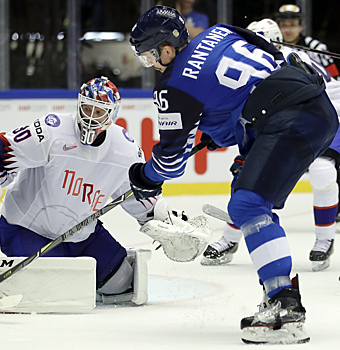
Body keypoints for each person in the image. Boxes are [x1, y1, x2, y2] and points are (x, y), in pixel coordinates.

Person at [129, 5, 338, 344]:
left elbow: (170, 161)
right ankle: (277, 293)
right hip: (315, 104)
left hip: (286, 119)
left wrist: (145, 176)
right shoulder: (222, 31)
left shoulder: (173, 85)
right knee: (254, 198)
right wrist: (224, 127)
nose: (150, 64)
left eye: (148, 55)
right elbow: (271, 60)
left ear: (166, 48)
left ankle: (285, 305)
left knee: (248, 204)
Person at [0, 76, 212, 311]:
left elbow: (138, 196)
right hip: (26, 229)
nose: (90, 117)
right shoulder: (52, 131)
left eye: (99, 112)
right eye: (86, 108)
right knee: (50, 293)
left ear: (112, 116)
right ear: (78, 105)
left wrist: (163, 222)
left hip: (83, 235)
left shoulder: (124, 149)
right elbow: (0, 151)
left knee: (123, 284)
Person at [202, 18, 339, 272]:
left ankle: (324, 238)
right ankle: (230, 240)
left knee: (322, 171)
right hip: (279, 125)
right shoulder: (252, 63)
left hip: (321, 117)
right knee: (246, 175)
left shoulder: (290, 57)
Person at [275, 4, 340, 80]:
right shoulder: (273, 48)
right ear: (278, 27)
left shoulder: (317, 48)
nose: (288, 30)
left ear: (301, 26)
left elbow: (335, 78)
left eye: (292, 25)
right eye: (284, 25)